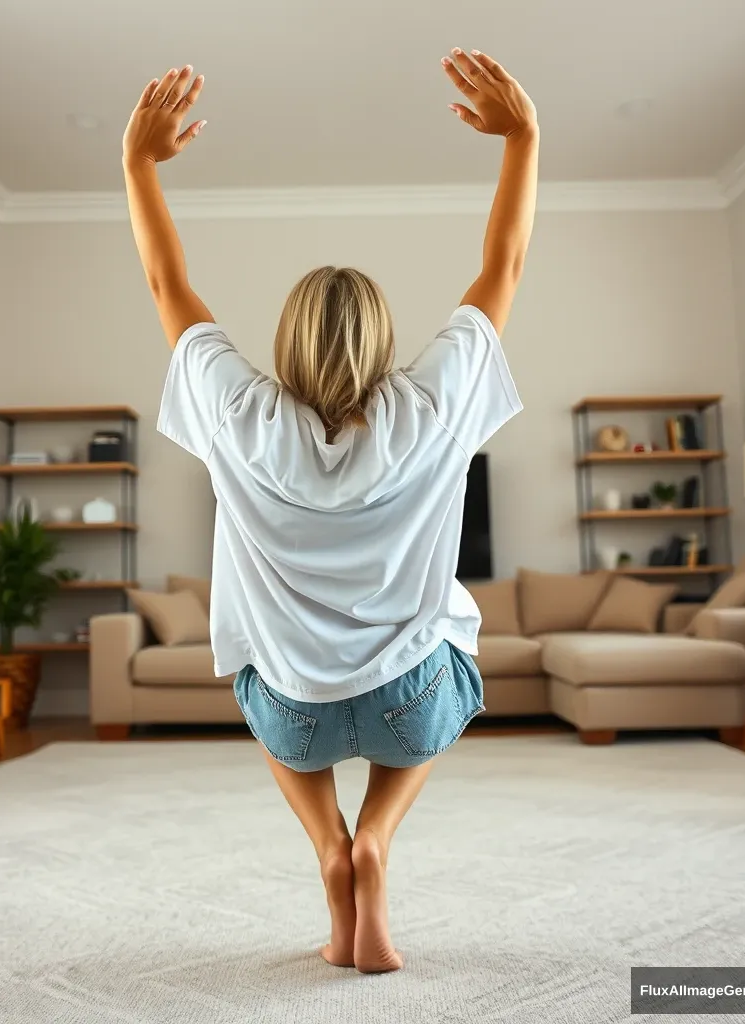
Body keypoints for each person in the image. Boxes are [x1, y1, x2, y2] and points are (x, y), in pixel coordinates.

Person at [122, 47, 538, 974]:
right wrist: (524, 139)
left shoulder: (238, 414)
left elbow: (166, 285)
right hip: (411, 708)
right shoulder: (433, 408)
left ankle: (328, 846)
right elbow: (503, 263)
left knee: (248, 670)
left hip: (296, 718)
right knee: (460, 645)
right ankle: (380, 835)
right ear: (386, 342)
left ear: (286, 341)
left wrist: (136, 164)